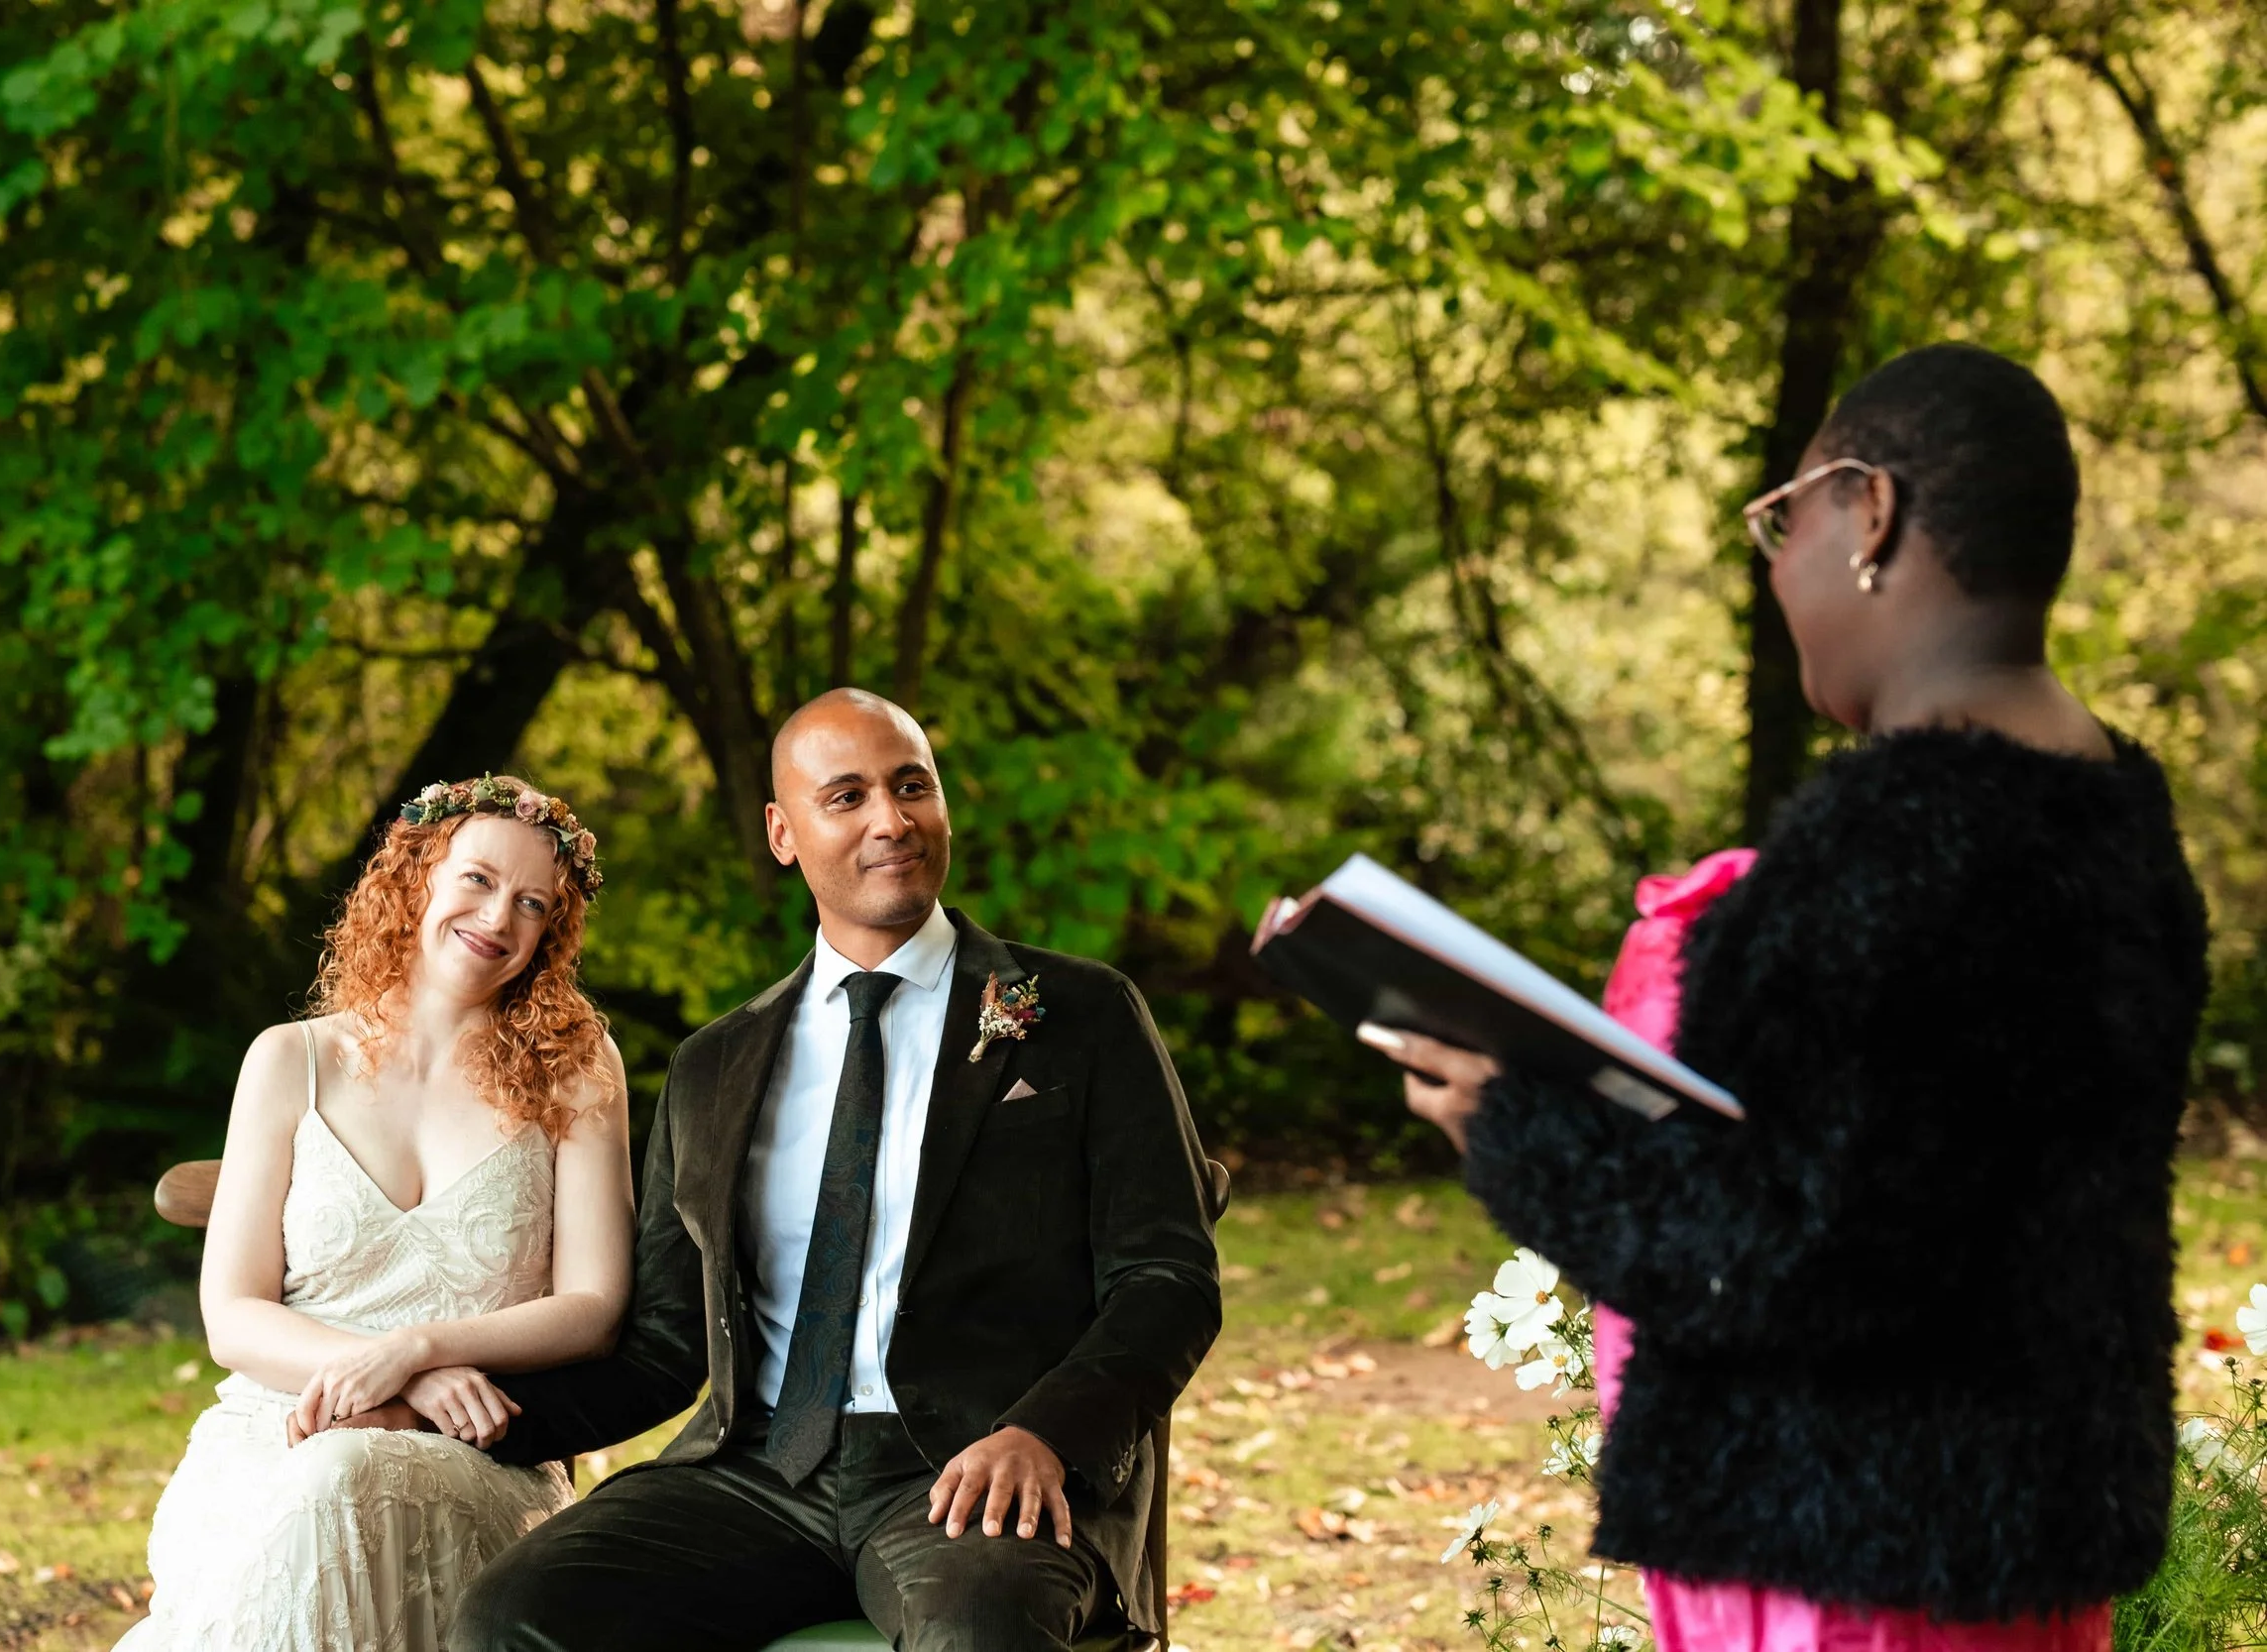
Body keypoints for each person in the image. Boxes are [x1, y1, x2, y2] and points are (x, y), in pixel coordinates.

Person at [1361, 344, 2212, 1644]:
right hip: (2027, 1537)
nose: (1774, 563)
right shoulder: (2114, 816)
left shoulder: (1889, 844)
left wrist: (1513, 1125)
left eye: (1784, 514)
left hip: (1846, 1548)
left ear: (1871, 511)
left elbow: (1784, 1249)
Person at [445, 689, 1222, 1652]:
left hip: (973, 1463)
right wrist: (468, 1410)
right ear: (784, 831)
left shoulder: (1078, 1013)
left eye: (911, 786)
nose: (890, 818)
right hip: (756, 1468)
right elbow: (661, 1348)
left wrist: (1047, 1436)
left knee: (981, 1626)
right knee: (515, 1614)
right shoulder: (713, 1063)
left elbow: (1168, 1278)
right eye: (846, 795)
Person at [124, 776, 633, 1652]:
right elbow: (234, 1316)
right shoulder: (291, 1061)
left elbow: (593, 1309)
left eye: (531, 902)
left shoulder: (576, 1069)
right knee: (320, 1473)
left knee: (342, 1475)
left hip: (475, 1451)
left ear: (551, 929)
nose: (498, 917)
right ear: (417, 875)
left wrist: (422, 1352)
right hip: (274, 1428)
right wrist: (389, 1372)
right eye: (475, 879)